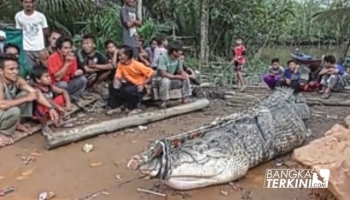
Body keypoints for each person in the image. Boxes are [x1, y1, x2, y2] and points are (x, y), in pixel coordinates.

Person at [0, 54, 59, 146]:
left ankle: (17, 123)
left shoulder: (17, 80)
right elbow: (2, 105)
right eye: (11, 69)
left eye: (16, 68)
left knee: (28, 94)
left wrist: (51, 107)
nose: (15, 72)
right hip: (2, 110)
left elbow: (36, 93)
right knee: (17, 108)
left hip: (5, 112)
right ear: (1, 70)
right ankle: (3, 133)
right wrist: (26, 99)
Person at [106, 45, 154, 115]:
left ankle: (133, 108)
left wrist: (143, 84)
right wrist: (116, 86)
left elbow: (152, 73)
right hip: (129, 84)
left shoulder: (137, 65)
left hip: (139, 86)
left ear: (127, 55)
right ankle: (116, 107)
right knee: (111, 86)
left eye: (121, 55)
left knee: (128, 90)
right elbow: (117, 77)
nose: (119, 57)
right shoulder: (120, 64)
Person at [31, 65, 73, 134]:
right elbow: (46, 99)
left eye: (49, 76)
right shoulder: (36, 89)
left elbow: (64, 91)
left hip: (51, 110)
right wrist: (57, 107)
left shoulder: (49, 86)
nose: (50, 78)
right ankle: (44, 127)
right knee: (42, 106)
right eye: (46, 76)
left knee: (61, 98)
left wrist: (68, 104)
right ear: (38, 80)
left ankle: (59, 121)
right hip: (39, 115)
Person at [48, 37, 87, 101]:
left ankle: (72, 97)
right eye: (66, 48)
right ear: (59, 49)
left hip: (68, 83)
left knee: (83, 79)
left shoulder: (73, 58)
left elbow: (72, 75)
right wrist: (67, 64)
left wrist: (78, 73)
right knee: (63, 84)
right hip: (56, 85)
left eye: (70, 48)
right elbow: (57, 78)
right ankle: (62, 99)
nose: (69, 50)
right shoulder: (52, 58)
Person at [156, 41, 192, 108]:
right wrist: (177, 76)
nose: (181, 52)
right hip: (159, 80)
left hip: (171, 79)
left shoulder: (178, 59)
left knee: (185, 78)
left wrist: (184, 75)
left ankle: (185, 98)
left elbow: (180, 70)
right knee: (165, 80)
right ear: (174, 52)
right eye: (179, 51)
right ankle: (164, 101)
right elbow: (163, 74)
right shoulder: (163, 57)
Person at [15, 0, 49, 68]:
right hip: (27, 48)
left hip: (39, 47)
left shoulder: (40, 16)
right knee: (31, 69)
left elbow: (45, 29)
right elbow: (19, 30)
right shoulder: (18, 16)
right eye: (26, 2)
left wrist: (42, 44)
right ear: (22, 3)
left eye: (30, 2)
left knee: (45, 67)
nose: (28, 4)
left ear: (33, 3)